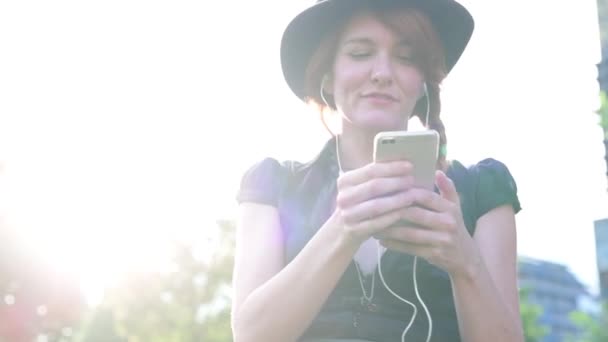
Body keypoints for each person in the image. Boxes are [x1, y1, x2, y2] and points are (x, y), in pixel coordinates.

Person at [230, 0, 524, 341]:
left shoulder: (480, 191)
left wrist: (465, 262)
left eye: (406, 57)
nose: (382, 73)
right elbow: (251, 336)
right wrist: (344, 227)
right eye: (360, 53)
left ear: (423, 82)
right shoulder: (273, 186)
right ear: (327, 75)